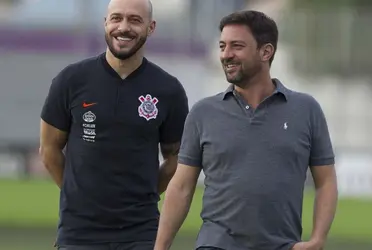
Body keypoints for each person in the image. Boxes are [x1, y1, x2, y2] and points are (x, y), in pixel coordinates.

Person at [154, 10, 338, 250]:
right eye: (222, 46)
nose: (226, 55)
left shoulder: (306, 110)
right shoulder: (203, 112)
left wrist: (317, 240)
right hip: (215, 244)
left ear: (266, 51)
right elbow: (181, 187)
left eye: (237, 46)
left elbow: (325, 181)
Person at [39, 0, 189, 249]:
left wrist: (149, 192)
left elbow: (176, 158)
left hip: (141, 232)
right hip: (79, 232)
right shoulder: (71, 80)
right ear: (105, 23)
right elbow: (48, 150)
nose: (124, 27)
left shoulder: (168, 89)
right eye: (116, 18)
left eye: (135, 20)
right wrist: (78, 195)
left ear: (151, 27)